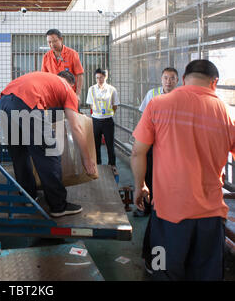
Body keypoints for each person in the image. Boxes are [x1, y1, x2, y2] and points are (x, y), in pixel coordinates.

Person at [131, 59, 235, 281]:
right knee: (208, 274)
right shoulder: (228, 114)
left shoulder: (158, 104)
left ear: (184, 79)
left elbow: (137, 152)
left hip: (168, 214)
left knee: (162, 269)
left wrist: (141, 186)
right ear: (214, 83)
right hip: (211, 216)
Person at [0, 71, 96, 218]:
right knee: (49, 153)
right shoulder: (68, 90)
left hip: (4, 101)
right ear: (72, 85)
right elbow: (76, 127)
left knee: (20, 154)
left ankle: (27, 197)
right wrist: (87, 159)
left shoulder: (46, 80)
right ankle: (58, 206)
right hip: (26, 102)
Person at [134, 67, 180, 276]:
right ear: (161, 79)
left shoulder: (183, 100)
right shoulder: (152, 96)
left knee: (161, 204)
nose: (168, 81)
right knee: (154, 192)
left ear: (178, 81)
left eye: (172, 78)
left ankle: (156, 259)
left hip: (169, 156)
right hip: (153, 147)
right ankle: (147, 205)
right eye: (166, 78)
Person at [86, 68, 119, 175]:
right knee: (96, 144)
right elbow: (90, 104)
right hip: (95, 120)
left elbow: (115, 105)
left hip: (108, 120)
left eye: (101, 77)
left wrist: (108, 114)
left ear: (106, 77)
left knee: (110, 144)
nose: (99, 79)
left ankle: (112, 164)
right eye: (97, 77)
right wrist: (97, 113)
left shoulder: (112, 89)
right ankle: (98, 164)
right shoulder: (91, 89)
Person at [41, 29, 84, 102]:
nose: (52, 44)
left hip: (70, 95)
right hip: (53, 96)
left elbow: (79, 75)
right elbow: (44, 78)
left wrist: (77, 94)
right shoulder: (46, 57)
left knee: (71, 113)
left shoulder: (72, 54)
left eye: (54, 41)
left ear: (61, 39)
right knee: (56, 113)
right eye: (49, 42)